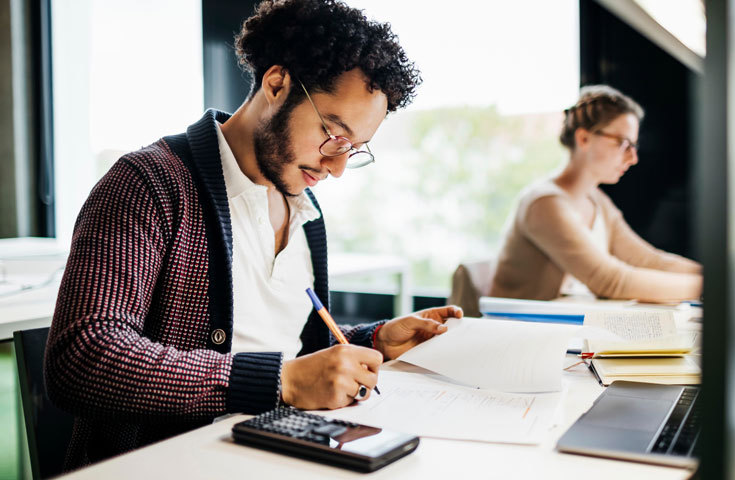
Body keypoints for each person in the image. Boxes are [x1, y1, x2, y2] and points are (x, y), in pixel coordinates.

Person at [44, 0, 462, 470]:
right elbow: (82, 358)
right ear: (277, 83)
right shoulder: (149, 184)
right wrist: (278, 382)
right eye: (334, 134)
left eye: (356, 149)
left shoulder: (303, 206)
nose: (339, 167)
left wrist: (374, 340)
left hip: (277, 455)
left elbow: (289, 351)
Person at [489, 84, 735, 303]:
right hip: (522, 340)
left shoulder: (596, 201)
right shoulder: (545, 204)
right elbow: (610, 280)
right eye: (624, 144)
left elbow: (648, 260)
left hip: (560, 334)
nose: (633, 158)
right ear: (584, 138)